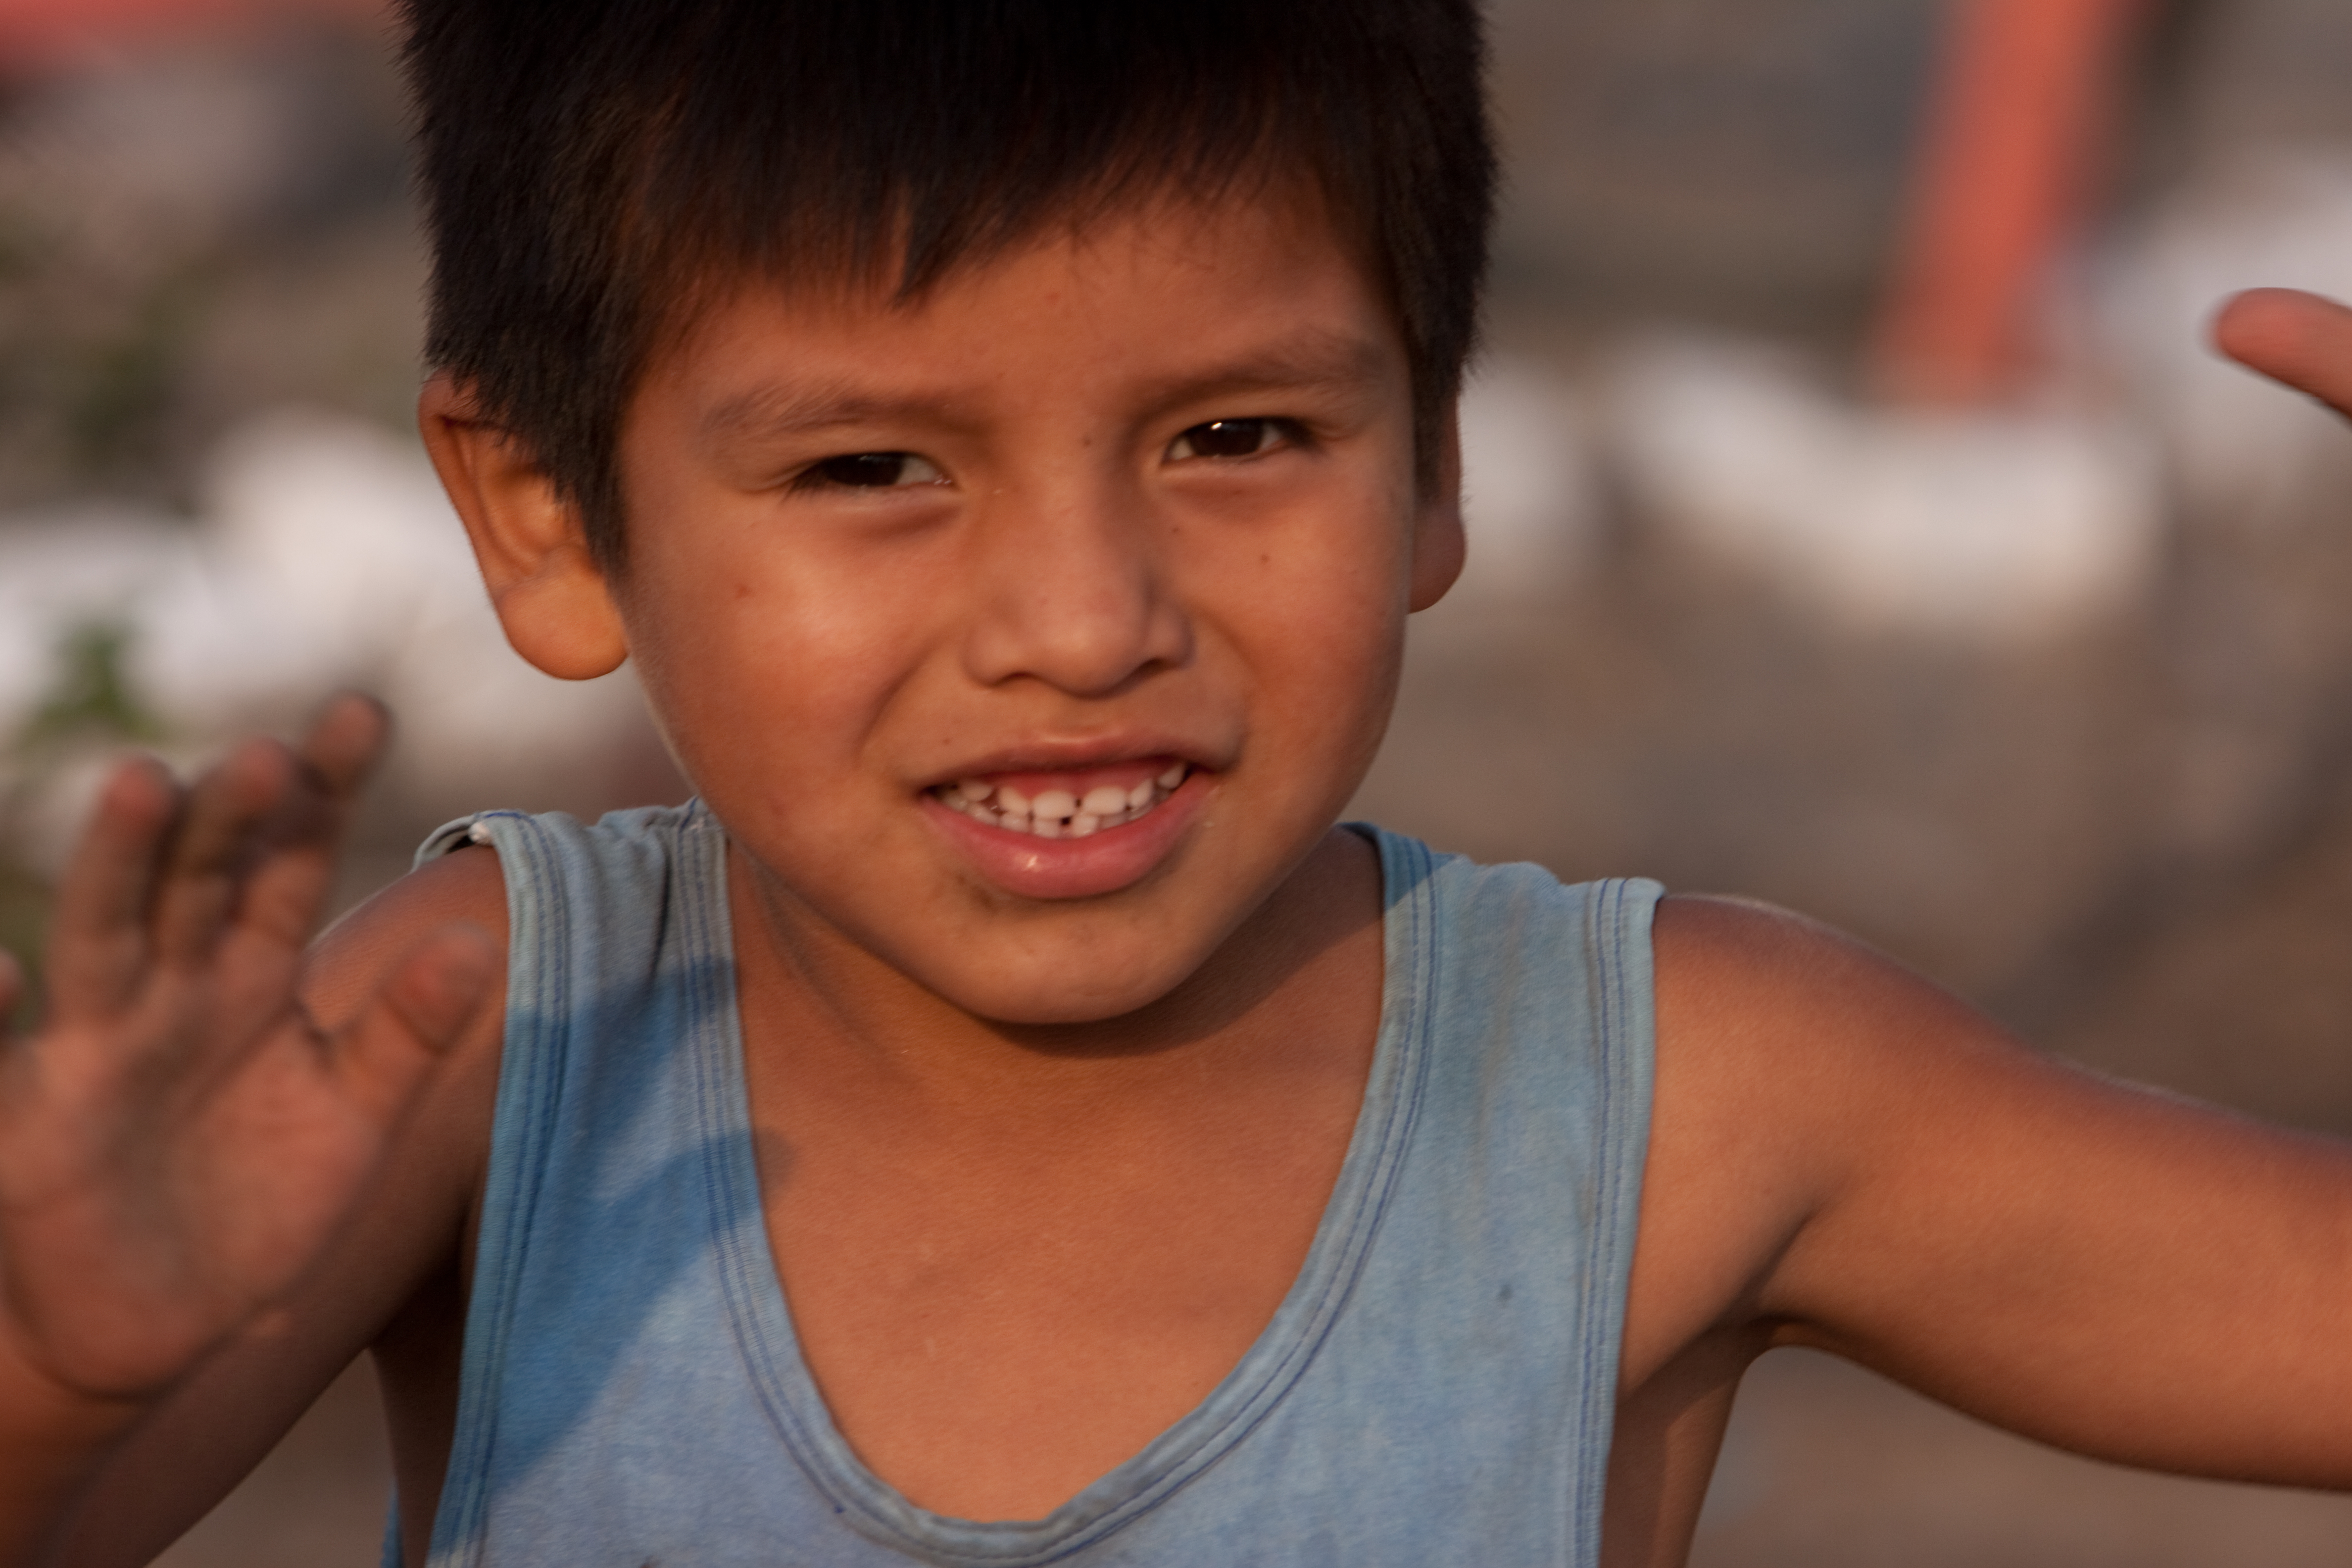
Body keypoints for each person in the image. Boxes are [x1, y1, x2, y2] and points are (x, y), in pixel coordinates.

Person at [4, 4, 2352, 1565]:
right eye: (872, 467)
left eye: (1236, 434)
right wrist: (54, 1368)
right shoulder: (496, 1040)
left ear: (1432, 456)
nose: (1081, 617)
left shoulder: (1673, 1095)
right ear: (544, 517)